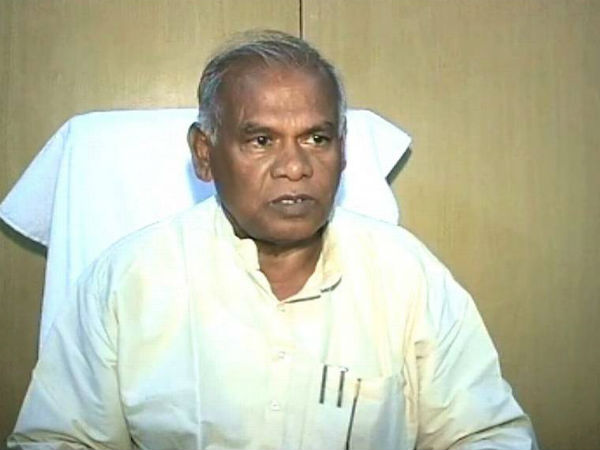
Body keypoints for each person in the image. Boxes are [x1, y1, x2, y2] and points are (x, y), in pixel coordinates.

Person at [7, 30, 537, 450]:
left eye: (317, 138)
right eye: (261, 140)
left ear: (344, 151)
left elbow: (486, 435)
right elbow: (58, 440)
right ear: (204, 154)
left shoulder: (405, 275)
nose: (295, 166)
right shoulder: (129, 281)